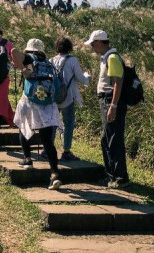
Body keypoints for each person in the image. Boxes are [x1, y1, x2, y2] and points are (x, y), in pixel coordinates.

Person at [12, 39, 63, 190]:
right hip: (48, 104)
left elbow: (13, 51)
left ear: (30, 50)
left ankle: (27, 158)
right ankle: (54, 174)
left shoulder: (29, 58)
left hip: (31, 102)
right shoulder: (48, 63)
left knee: (23, 126)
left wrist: (23, 69)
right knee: (48, 141)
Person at [86, 29, 128, 188]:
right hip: (108, 101)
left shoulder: (112, 58)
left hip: (110, 100)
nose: (92, 47)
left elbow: (118, 82)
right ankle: (112, 176)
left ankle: (120, 178)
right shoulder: (108, 57)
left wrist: (113, 106)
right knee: (107, 138)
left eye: (92, 44)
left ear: (98, 42)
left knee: (113, 139)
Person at [51, 37, 90, 160]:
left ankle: (48, 149)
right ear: (70, 48)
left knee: (52, 123)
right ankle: (66, 151)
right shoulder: (72, 60)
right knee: (69, 123)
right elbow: (81, 79)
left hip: (53, 97)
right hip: (67, 97)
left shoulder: (51, 60)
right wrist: (87, 76)